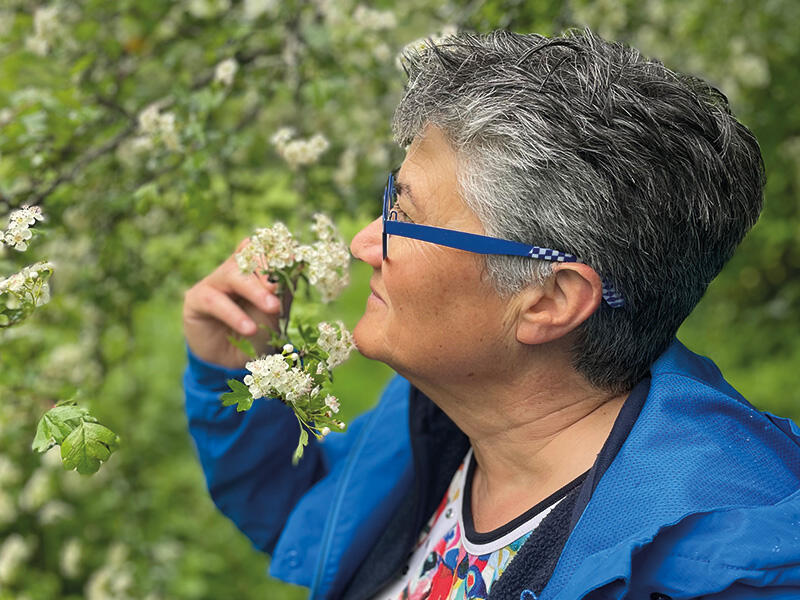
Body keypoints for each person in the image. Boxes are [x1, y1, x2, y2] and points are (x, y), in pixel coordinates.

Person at [182, 30, 800, 600]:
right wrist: (231, 374)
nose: (364, 243)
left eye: (411, 216)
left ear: (549, 300)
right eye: (391, 198)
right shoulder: (440, 419)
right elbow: (319, 520)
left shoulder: (724, 572)